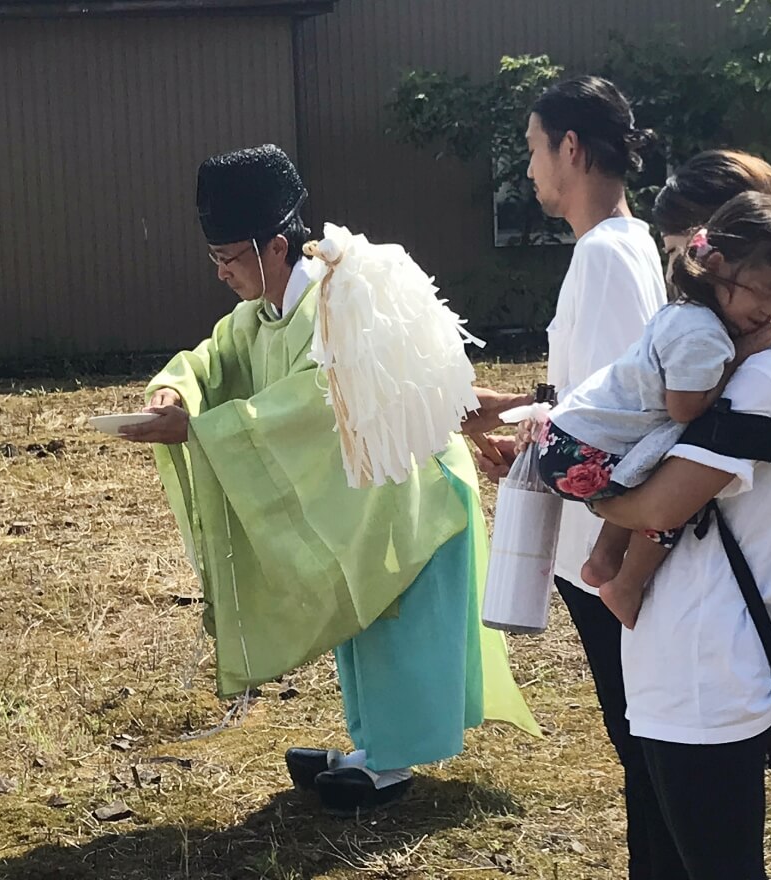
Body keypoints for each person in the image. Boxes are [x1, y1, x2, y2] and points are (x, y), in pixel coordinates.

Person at [121, 144, 537, 813]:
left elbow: (321, 401)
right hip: (358, 503)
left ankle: (393, 760)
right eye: (217, 259)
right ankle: (372, 745)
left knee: (398, 620)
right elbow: (207, 360)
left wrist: (204, 432)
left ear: (275, 246)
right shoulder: (260, 314)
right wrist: (174, 394)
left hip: (409, 493)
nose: (222, 273)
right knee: (359, 617)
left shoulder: (345, 300)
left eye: (229, 258)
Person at [582, 190, 771, 879]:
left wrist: (588, 489)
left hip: (707, 677)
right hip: (683, 670)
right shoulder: (741, 358)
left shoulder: (768, 379)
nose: (760, 308)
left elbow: (654, 509)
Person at [463, 76, 668, 879]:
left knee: (642, 745)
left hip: (606, 546)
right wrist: (523, 424)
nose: (529, 168)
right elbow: (596, 396)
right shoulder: (623, 247)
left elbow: (636, 416)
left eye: (532, 148)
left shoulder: (607, 256)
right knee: (639, 744)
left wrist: (550, 458)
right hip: (602, 533)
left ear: (571, 150)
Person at [531, 201, 771, 628]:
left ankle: (603, 559)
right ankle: (626, 584)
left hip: (569, 437)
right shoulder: (705, 336)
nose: (769, 310)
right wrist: (742, 356)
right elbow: (684, 406)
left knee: (646, 469)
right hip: (582, 452)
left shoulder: (686, 313)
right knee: (677, 492)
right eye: (761, 292)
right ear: (718, 266)